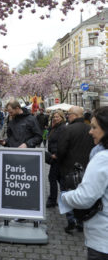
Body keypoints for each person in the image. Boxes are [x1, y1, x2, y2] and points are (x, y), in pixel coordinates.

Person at [62, 107, 108, 260]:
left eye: (94, 127)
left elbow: (84, 198)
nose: (90, 131)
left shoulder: (103, 158)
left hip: (102, 240)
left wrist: (65, 197)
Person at [57, 105, 94, 233]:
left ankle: (71, 219)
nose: (68, 116)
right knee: (82, 194)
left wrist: (60, 162)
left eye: (69, 114)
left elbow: (61, 149)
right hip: (86, 168)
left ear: (76, 115)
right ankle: (81, 221)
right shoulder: (91, 129)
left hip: (69, 168)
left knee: (67, 193)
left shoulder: (68, 129)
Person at [46, 110, 66, 208]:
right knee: (59, 179)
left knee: (52, 177)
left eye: (57, 117)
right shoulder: (55, 127)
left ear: (62, 118)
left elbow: (62, 143)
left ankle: (52, 200)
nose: (55, 118)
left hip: (57, 157)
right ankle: (63, 198)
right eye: (54, 116)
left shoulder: (62, 128)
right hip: (54, 156)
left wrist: (56, 154)